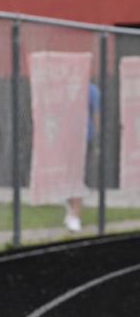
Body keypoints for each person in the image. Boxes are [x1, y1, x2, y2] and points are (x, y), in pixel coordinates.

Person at [64, 82, 101, 232]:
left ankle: (76, 216)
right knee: (70, 176)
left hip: (86, 138)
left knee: (78, 177)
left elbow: (96, 115)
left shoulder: (92, 90)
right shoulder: (66, 88)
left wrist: (96, 139)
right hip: (67, 138)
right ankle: (72, 210)